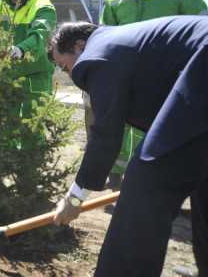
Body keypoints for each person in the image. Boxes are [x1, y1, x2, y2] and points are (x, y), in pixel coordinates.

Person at [50, 17, 208, 276]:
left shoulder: (97, 54)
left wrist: (75, 196)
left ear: (79, 46)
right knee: (201, 176)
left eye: (64, 66)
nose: (69, 74)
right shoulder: (125, 46)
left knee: (147, 180)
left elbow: (106, 134)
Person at [95, 0, 207, 190]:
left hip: (169, 75)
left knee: (162, 126)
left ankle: (159, 182)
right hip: (126, 74)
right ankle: (116, 181)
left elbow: (202, 28)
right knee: (119, 124)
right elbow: (105, 35)